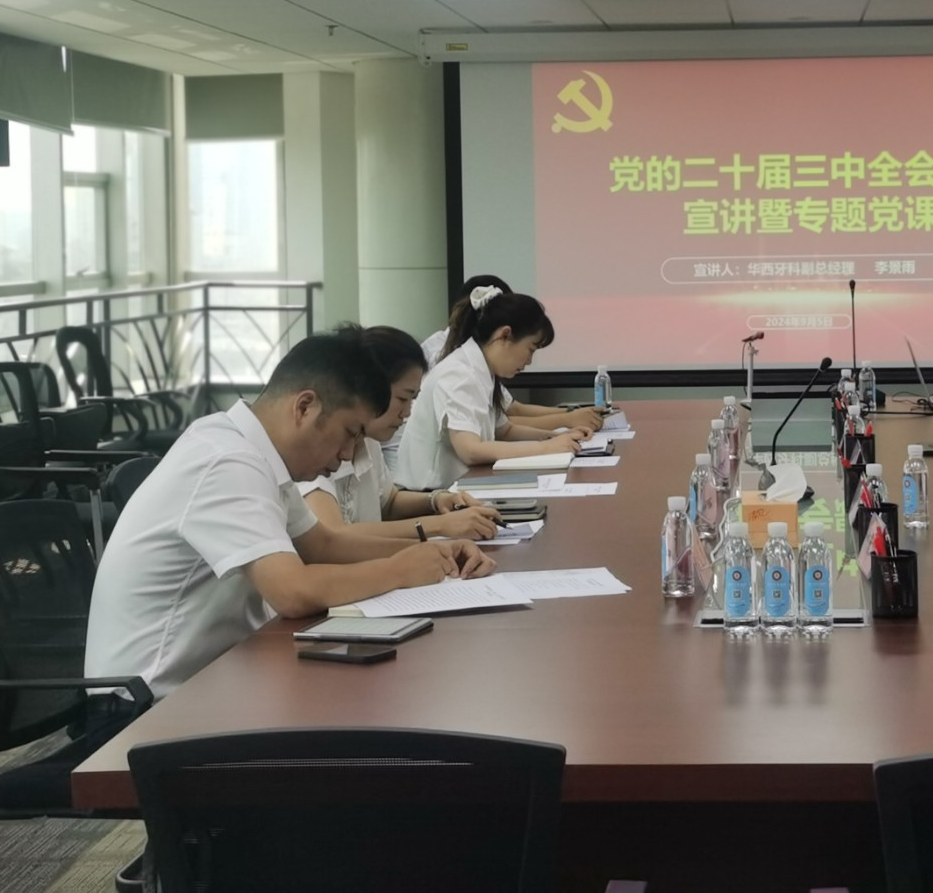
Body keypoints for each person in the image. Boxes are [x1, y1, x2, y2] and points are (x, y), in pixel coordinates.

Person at [85, 333, 496, 704]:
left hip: (218, 677)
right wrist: (400, 570)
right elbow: (292, 592)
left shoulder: (255, 451)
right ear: (304, 406)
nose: (344, 455)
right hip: (143, 707)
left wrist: (435, 551)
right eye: (349, 433)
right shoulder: (226, 461)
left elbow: (324, 545)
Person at [299, 325, 503, 541]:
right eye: (402, 399)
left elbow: (389, 503)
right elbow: (334, 534)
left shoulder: (368, 442)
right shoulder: (319, 450)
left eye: (412, 399)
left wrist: (438, 500)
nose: (407, 413)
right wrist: (439, 525)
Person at [393, 285, 586, 487]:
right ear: (505, 335)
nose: (529, 361)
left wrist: (554, 437)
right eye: (530, 349)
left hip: (459, 488)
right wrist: (546, 448)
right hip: (428, 496)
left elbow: (505, 430)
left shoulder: (482, 370)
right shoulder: (459, 374)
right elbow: (471, 451)